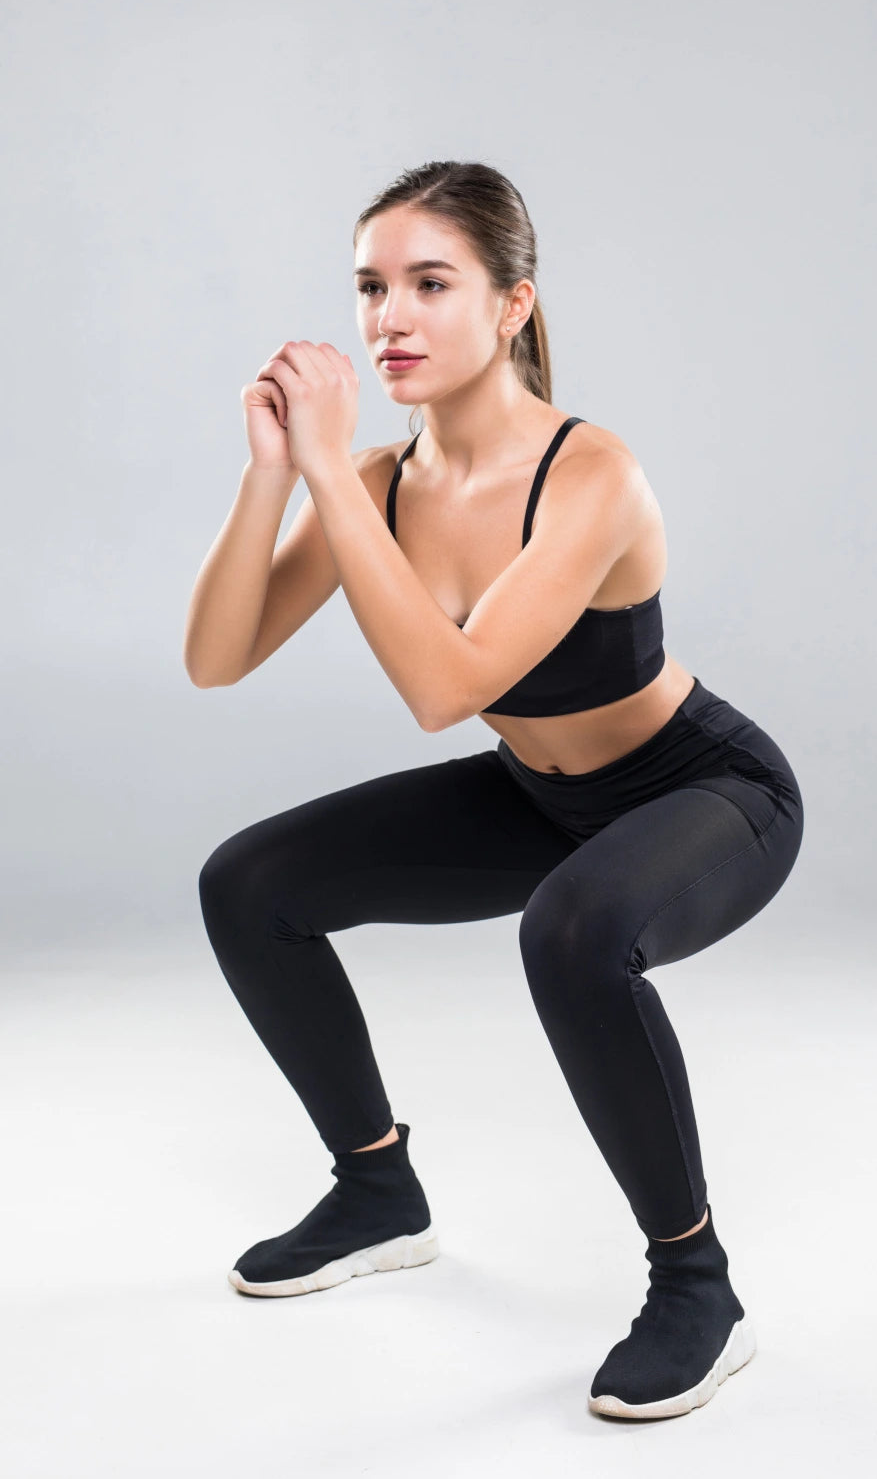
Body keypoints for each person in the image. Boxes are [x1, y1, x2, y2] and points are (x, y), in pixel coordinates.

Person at [188, 160, 804, 1421]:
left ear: (513, 305)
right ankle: (376, 1191)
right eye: (370, 287)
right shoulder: (376, 482)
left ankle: (697, 1286)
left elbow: (443, 686)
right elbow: (217, 657)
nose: (388, 320)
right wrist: (274, 475)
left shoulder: (589, 475)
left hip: (703, 791)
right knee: (249, 883)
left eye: (430, 284)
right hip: (542, 796)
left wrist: (329, 474)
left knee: (573, 934)